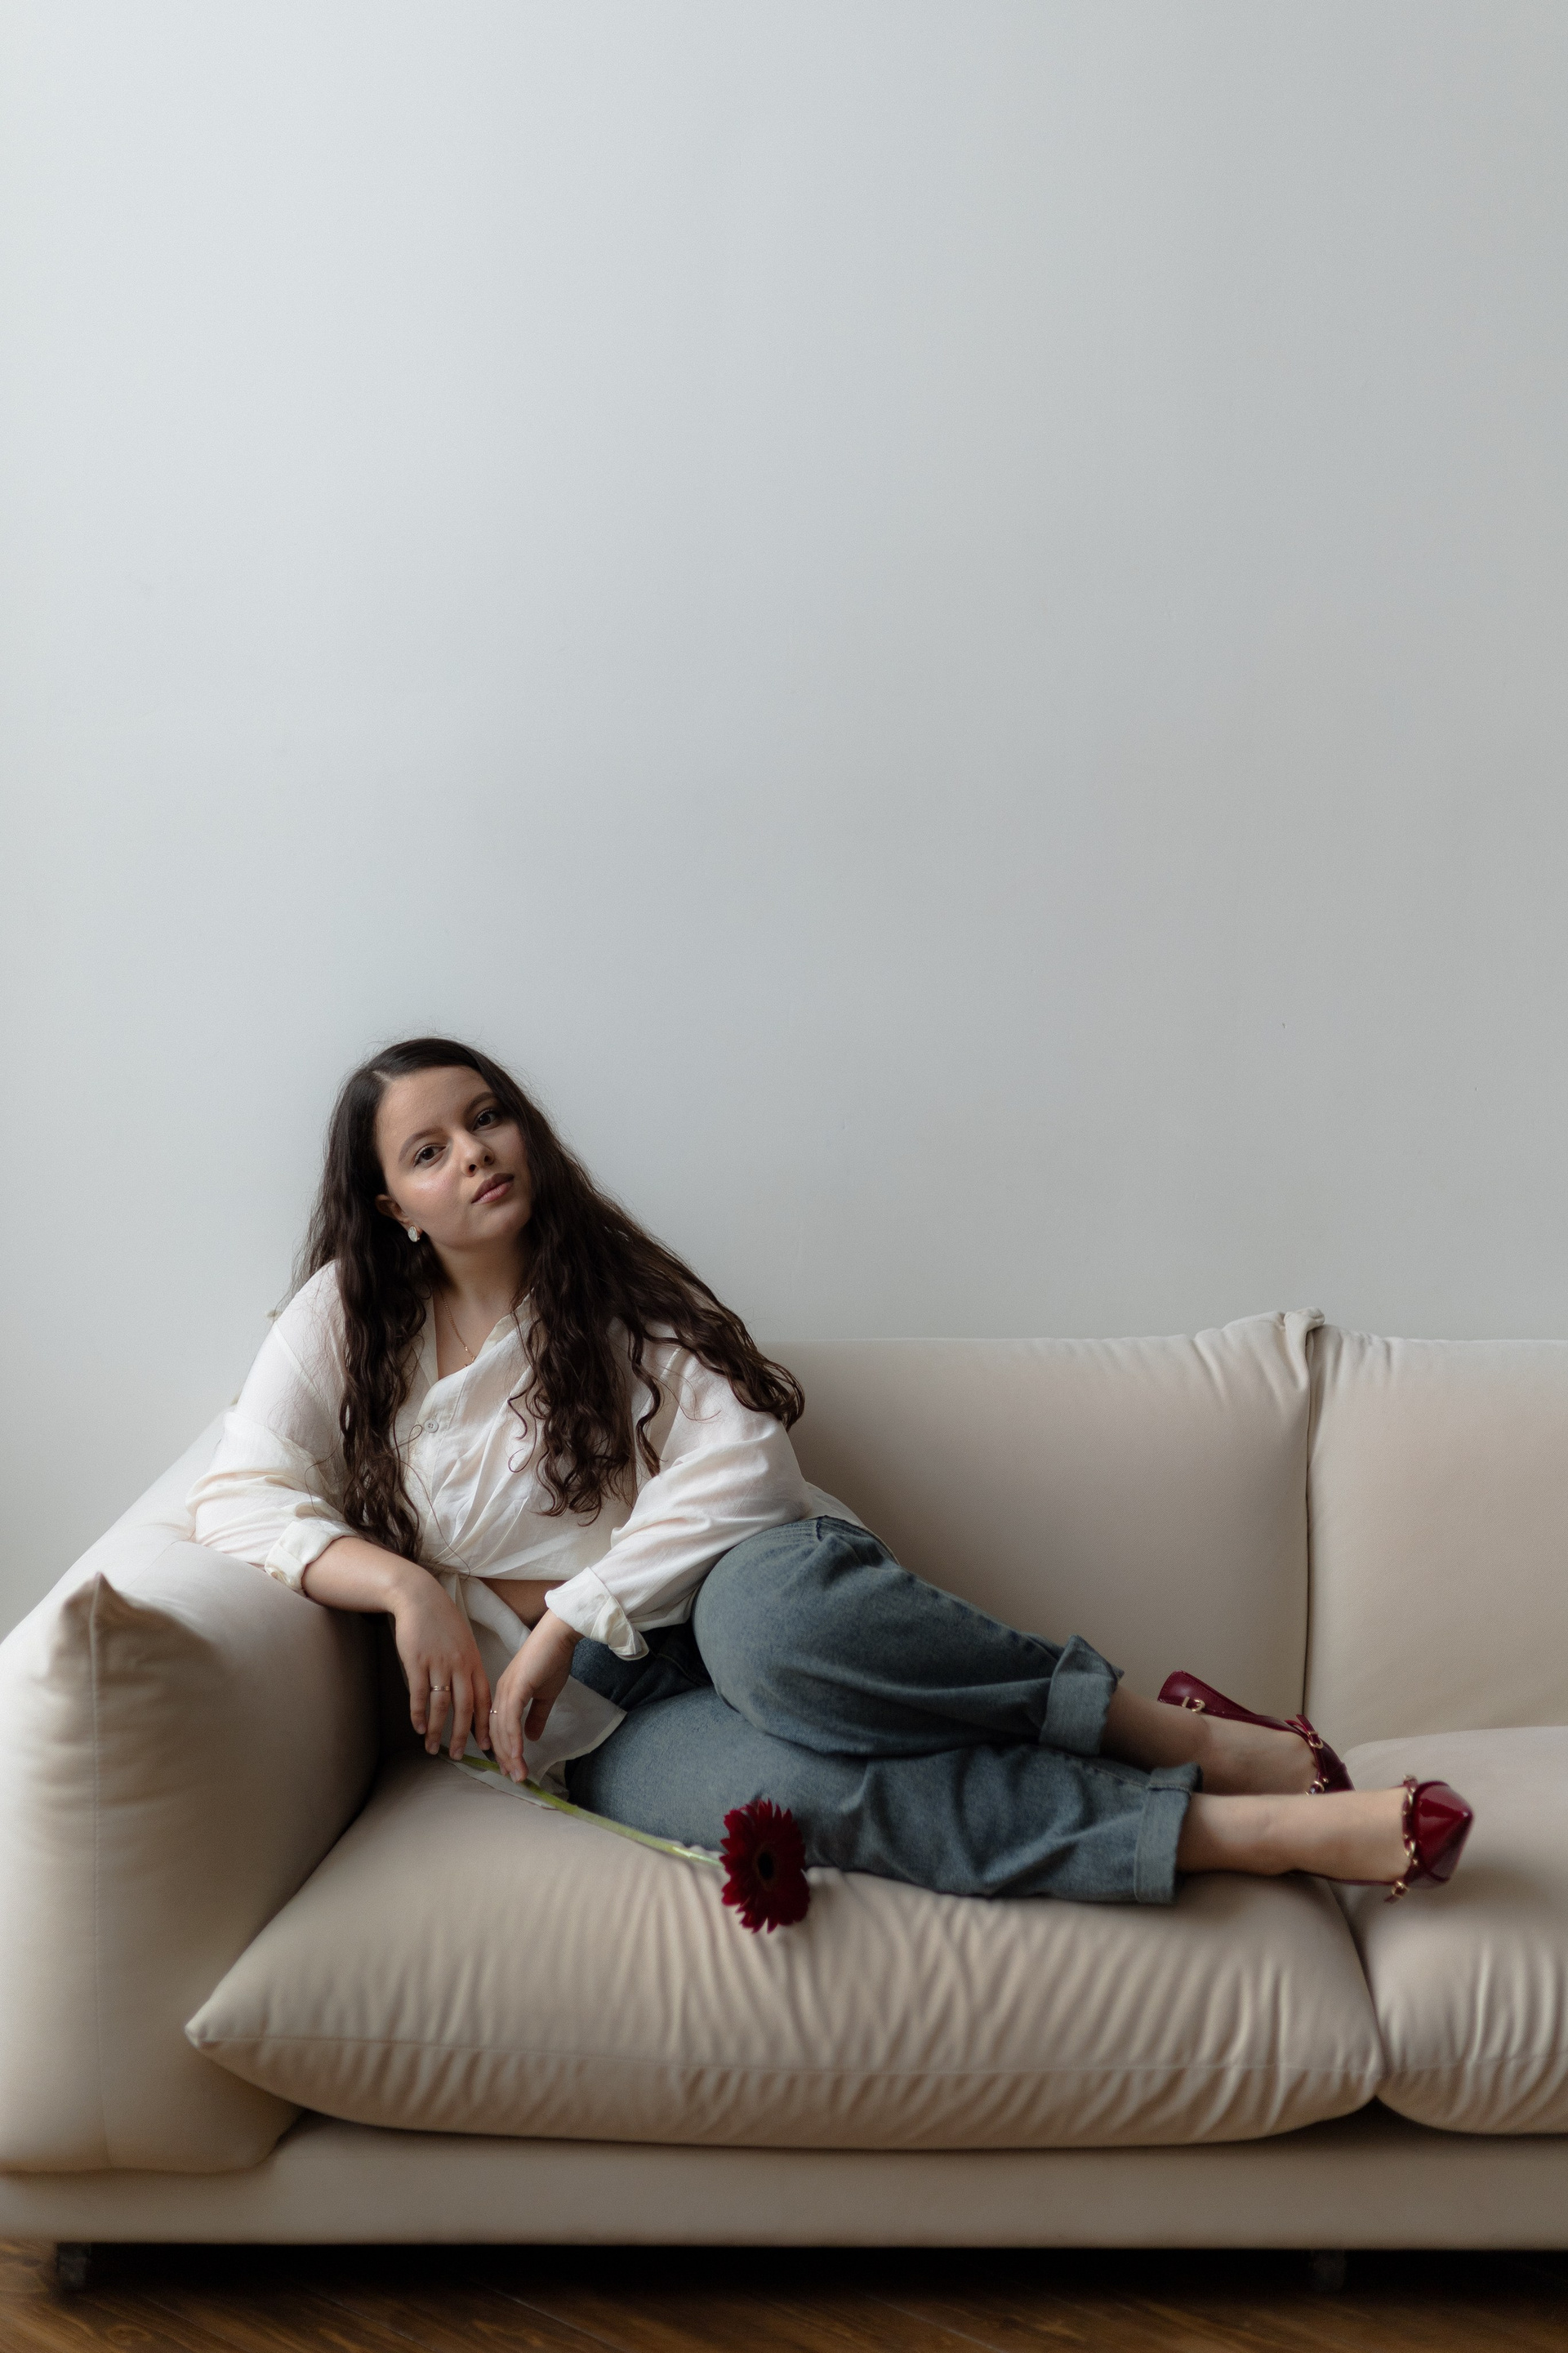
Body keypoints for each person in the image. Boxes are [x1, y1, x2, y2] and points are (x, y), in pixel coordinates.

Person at [190, 1036, 1472, 1908]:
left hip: (738, 1593)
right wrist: (405, 1587)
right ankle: (1244, 1834)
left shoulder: (611, 1285)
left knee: (779, 1638)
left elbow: (748, 1461)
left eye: (487, 1116)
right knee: (805, 1794)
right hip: (601, 1719)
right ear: (394, 1208)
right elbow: (237, 1492)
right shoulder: (347, 1319)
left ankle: (1173, 1730)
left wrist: (573, 1611)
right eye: (427, 1151)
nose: (473, 1152)